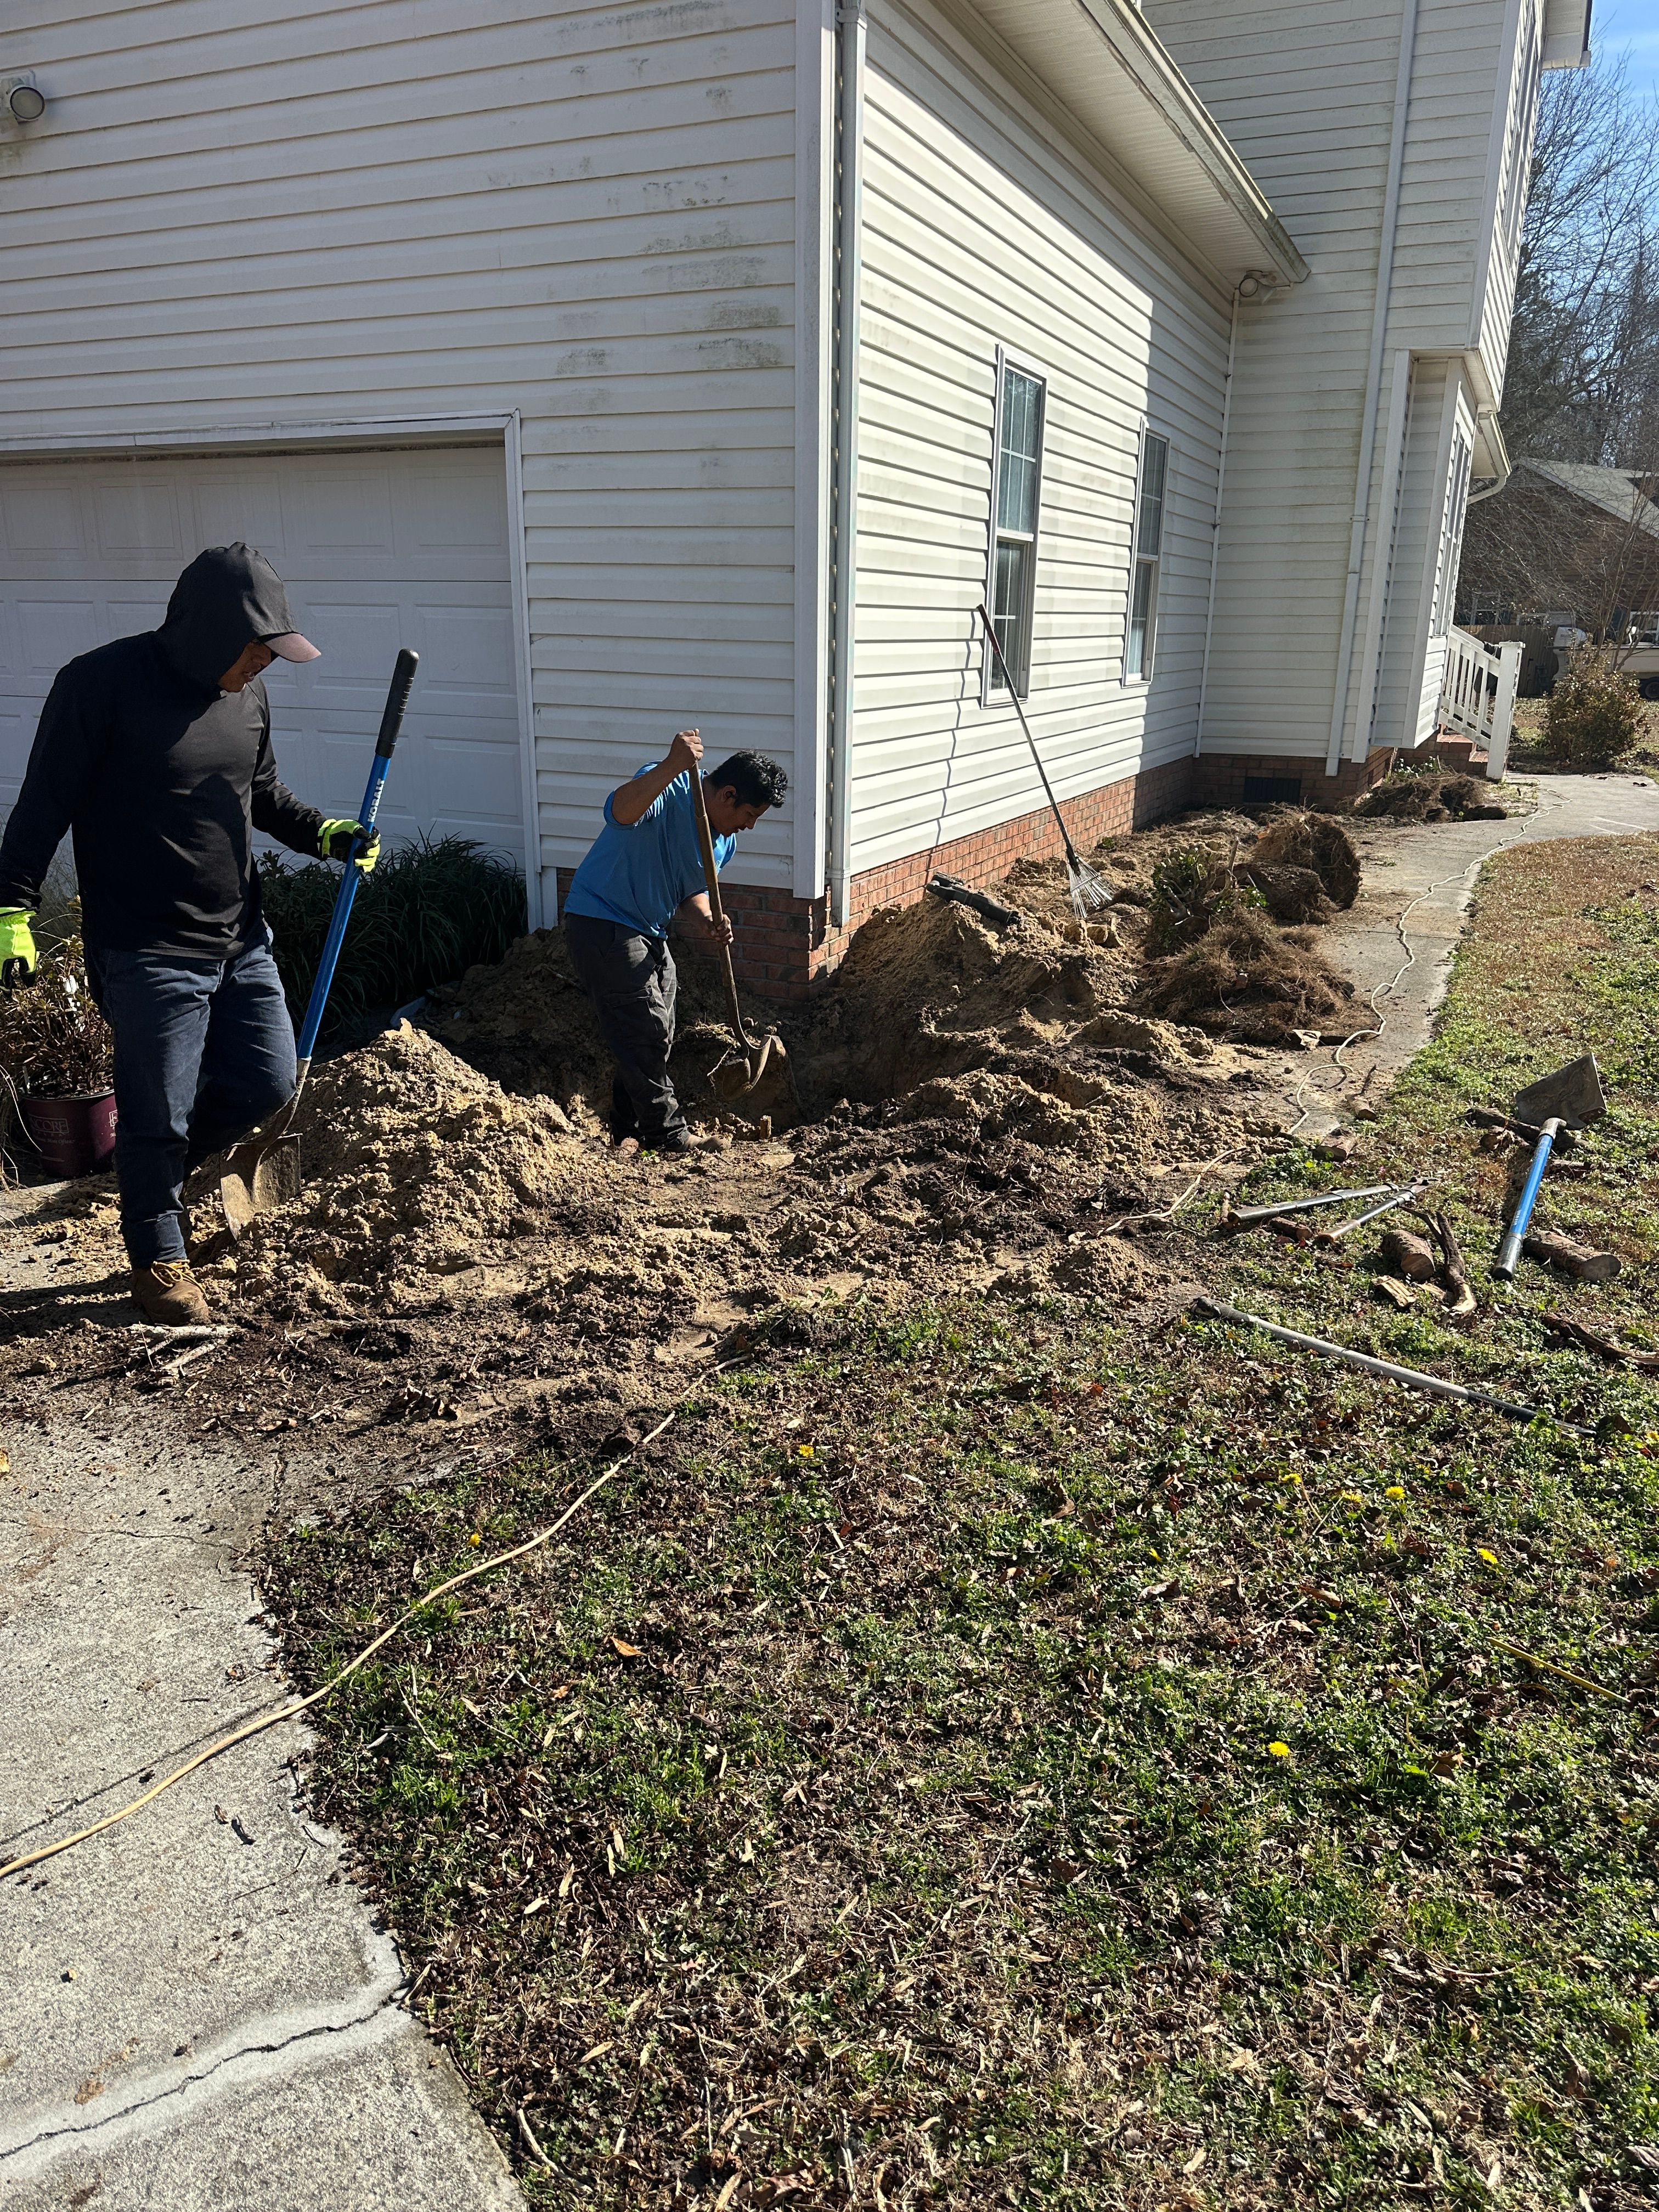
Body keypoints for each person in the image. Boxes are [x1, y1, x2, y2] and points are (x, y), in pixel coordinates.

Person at [0, 543, 381, 1325]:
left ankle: (158, 1177)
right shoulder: (98, 685)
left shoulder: (247, 697)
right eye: (256, 649)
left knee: (268, 1082)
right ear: (211, 633)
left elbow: (262, 793)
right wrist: (12, 910)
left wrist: (325, 834)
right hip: (147, 949)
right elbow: (43, 804)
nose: (264, 665)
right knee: (156, 1111)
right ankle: (157, 1260)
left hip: (241, 941)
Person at [562, 731, 787, 1150]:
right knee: (645, 1030)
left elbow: (690, 892)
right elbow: (619, 813)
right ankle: (667, 1134)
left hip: (651, 929)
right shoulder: (669, 786)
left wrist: (709, 920)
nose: (750, 825)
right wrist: (670, 765)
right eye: (750, 813)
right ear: (728, 795)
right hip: (602, 919)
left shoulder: (724, 842)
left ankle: (628, 1129)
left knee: (658, 1032)